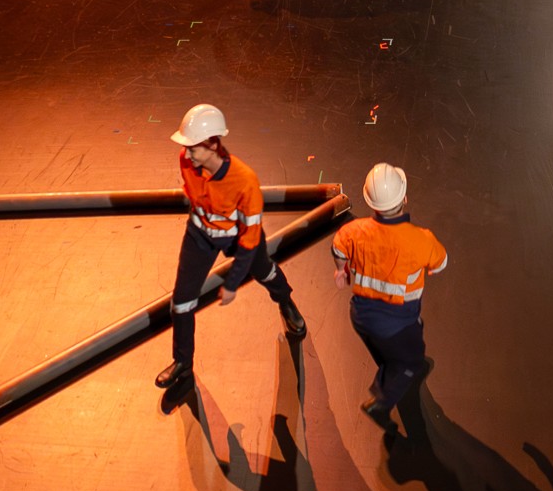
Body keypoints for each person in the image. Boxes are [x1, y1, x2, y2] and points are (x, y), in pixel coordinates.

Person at [156, 103, 305, 405]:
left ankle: (286, 302)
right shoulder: (186, 160)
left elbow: (250, 241)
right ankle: (183, 365)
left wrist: (234, 282)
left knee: (264, 271)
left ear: (212, 144)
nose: (187, 153)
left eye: (193, 147)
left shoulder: (245, 181)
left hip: (238, 238)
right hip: (200, 236)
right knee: (181, 304)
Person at [331, 161, 447, 434]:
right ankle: (380, 402)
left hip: (360, 315)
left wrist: (340, 272)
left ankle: (388, 364)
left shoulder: (353, 231)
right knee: (412, 361)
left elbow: (337, 250)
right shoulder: (421, 239)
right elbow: (441, 264)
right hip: (398, 324)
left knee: (381, 350)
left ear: (372, 203)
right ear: (404, 198)